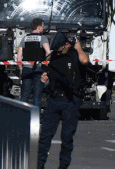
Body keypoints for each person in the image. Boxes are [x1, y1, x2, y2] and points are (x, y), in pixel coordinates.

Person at [37, 31, 89, 169]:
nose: (58, 51)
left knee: (67, 137)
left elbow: (85, 60)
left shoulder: (74, 54)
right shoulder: (54, 55)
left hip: (70, 100)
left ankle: (63, 165)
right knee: (45, 135)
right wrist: (45, 77)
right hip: (54, 99)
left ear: (66, 45)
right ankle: (40, 163)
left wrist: (78, 47)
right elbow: (51, 71)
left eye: (60, 48)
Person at [17, 18, 51, 107]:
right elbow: (48, 52)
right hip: (38, 69)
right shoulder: (43, 38)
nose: (43, 29)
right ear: (39, 27)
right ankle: (36, 118)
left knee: (24, 95)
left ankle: (21, 115)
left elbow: (18, 58)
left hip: (26, 69)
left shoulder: (24, 38)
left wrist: (21, 70)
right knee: (37, 96)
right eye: (43, 27)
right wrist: (46, 65)